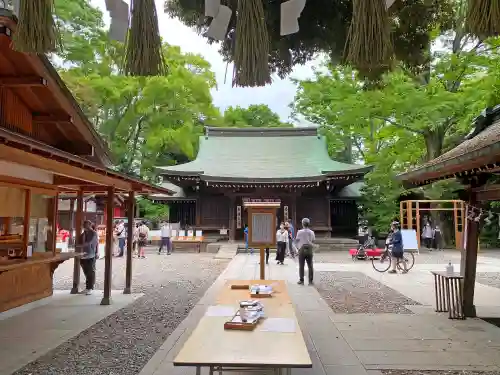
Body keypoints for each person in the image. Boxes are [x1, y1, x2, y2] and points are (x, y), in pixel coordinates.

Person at [78, 220, 98, 295]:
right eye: (84, 224)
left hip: (90, 254)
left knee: (90, 271)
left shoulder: (93, 233)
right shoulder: (83, 234)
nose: (84, 226)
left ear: (90, 225)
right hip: (83, 255)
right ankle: (87, 287)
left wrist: (96, 252)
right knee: (86, 271)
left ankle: (90, 287)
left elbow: (92, 243)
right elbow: (79, 242)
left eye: (86, 224)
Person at [295, 218, 315, 285]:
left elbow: (297, 240)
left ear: (302, 224)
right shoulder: (312, 232)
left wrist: (298, 248)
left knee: (301, 265)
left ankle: (301, 280)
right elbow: (313, 241)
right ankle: (310, 280)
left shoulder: (299, 232)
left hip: (302, 248)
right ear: (308, 224)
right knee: (310, 265)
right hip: (309, 248)